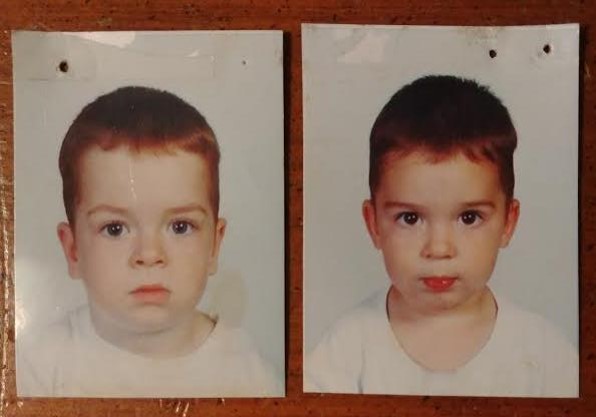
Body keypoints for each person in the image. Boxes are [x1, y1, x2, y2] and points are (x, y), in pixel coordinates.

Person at [305, 75, 578, 397]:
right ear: (374, 223)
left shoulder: (547, 357)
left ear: (508, 222)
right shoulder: (342, 355)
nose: (438, 248)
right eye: (410, 218)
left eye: (469, 217)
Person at [17, 86, 280, 397]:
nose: (149, 254)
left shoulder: (248, 375)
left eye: (180, 226)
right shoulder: (37, 369)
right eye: (115, 229)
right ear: (73, 251)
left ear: (214, 246)